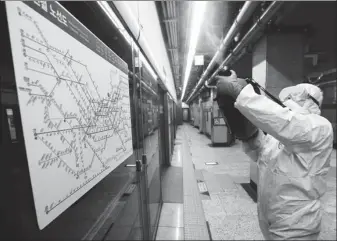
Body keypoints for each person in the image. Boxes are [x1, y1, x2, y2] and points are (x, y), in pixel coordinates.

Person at [214, 70, 334, 240]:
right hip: (270, 215)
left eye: (296, 97)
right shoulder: (284, 132)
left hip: (297, 223)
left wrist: (240, 92)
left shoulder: (319, 127)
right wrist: (246, 132)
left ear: (309, 102)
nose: (288, 101)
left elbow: (283, 121)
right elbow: (260, 151)